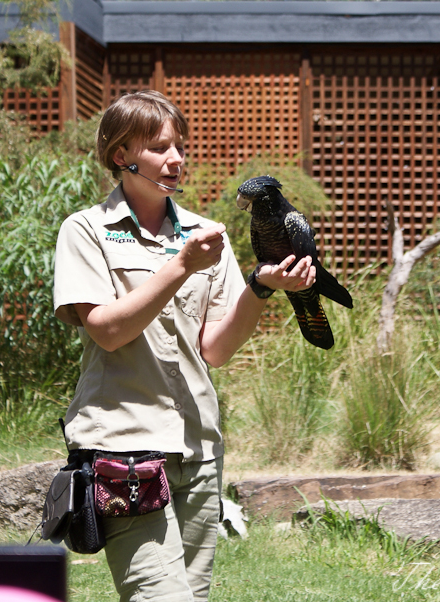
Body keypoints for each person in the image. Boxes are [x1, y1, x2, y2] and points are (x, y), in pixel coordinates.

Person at [52, 90, 315, 602]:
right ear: (120, 156)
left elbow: (214, 348)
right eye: (159, 148)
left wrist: (261, 287)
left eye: (180, 146)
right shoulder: (86, 231)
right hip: (125, 449)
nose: (176, 159)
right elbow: (105, 330)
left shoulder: (204, 235)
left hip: (199, 446)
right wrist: (180, 266)